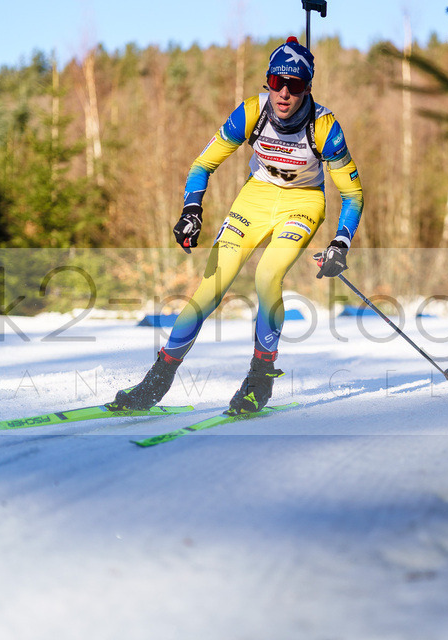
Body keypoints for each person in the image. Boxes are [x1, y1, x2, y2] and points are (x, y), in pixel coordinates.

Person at [111, 37, 364, 415]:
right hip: (255, 199)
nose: (283, 93)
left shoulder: (325, 127)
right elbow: (202, 164)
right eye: (276, 81)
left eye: (295, 86)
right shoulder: (251, 113)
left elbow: (353, 195)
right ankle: (157, 380)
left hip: (303, 203)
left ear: (307, 87)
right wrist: (191, 209)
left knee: (267, 275)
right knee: (211, 285)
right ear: (267, 81)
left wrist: (340, 244)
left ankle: (259, 379)